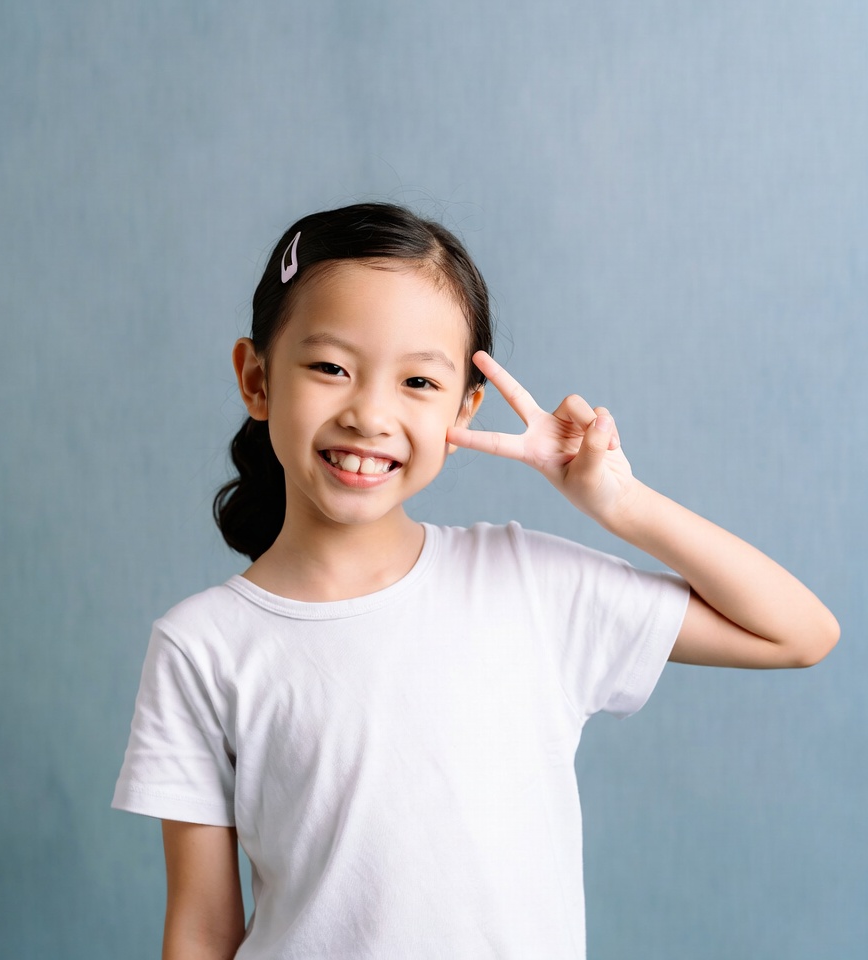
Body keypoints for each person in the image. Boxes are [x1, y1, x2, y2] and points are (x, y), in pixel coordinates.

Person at [112, 202, 838, 960]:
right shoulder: (200, 646)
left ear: (465, 409)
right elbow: (201, 930)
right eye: (331, 368)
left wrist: (621, 504)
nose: (369, 413)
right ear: (257, 380)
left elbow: (800, 632)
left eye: (419, 381)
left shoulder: (526, 585)